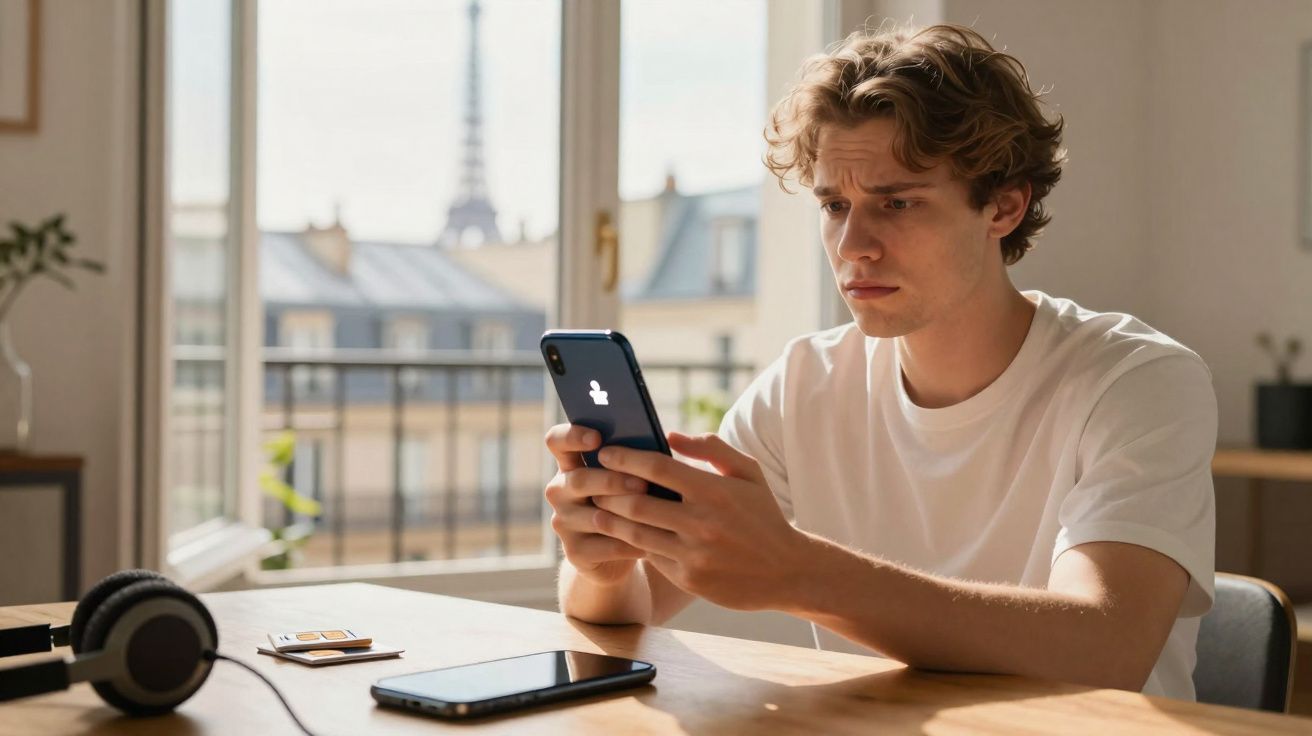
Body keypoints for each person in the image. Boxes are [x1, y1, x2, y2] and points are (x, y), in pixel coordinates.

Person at [543, 23, 1215, 701]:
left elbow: (1105, 649)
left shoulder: (1137, 380)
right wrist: (604, 561)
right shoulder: (804, 384)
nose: (853, 244)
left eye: (896, 203)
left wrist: (799, 572)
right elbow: (634, 606)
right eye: (836, 205)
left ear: (1004, 207)